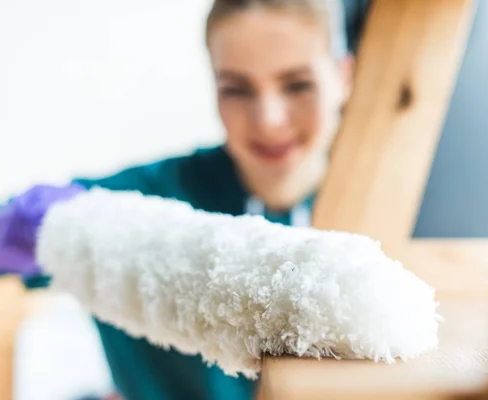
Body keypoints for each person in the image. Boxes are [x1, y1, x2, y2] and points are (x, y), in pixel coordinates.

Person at [0, 0, 355, 399]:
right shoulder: (156, 197)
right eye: (236, 90)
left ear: (343, 78)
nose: (268, 119)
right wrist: (30, 224)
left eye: (297, 85)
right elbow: (17, 226)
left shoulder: (395, 202)